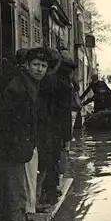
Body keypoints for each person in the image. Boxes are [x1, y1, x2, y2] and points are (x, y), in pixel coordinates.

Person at [0, 47, 51, 221]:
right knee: (16, 197)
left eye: (43, 66)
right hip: (10, 150)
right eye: (36, 65)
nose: (39, 69)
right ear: (27, 66)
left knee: (12, 195)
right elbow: (4, 121)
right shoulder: (18, 89)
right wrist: (14, 147)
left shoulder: (29, 84)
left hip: (16, 149)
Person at [39, 48, 76, 206]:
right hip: (53, 128)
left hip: (42, 125)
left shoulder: (45, 80)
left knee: (46, 161)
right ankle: (51, 194)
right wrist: (67, 137)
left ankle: (46, 193)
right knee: (52, 160)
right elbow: (65, 113)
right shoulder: (64, 84)